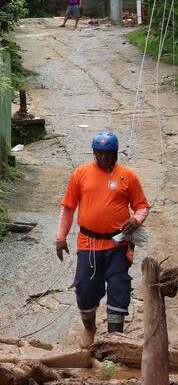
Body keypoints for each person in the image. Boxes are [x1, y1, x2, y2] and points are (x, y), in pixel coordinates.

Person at [55, 132, 149, 347]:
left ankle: (114, 340)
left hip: (118, 245)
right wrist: (61, 238)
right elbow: (68, 208)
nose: (104, 158)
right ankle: (90, 329)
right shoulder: (80, 174)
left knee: (119, 287)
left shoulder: (128, 176)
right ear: (94, 153)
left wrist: (135, 220)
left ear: (115, 154)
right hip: (88, 244)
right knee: (85, 289)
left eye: (108, 154)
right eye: (100, 153)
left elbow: (142, 206)